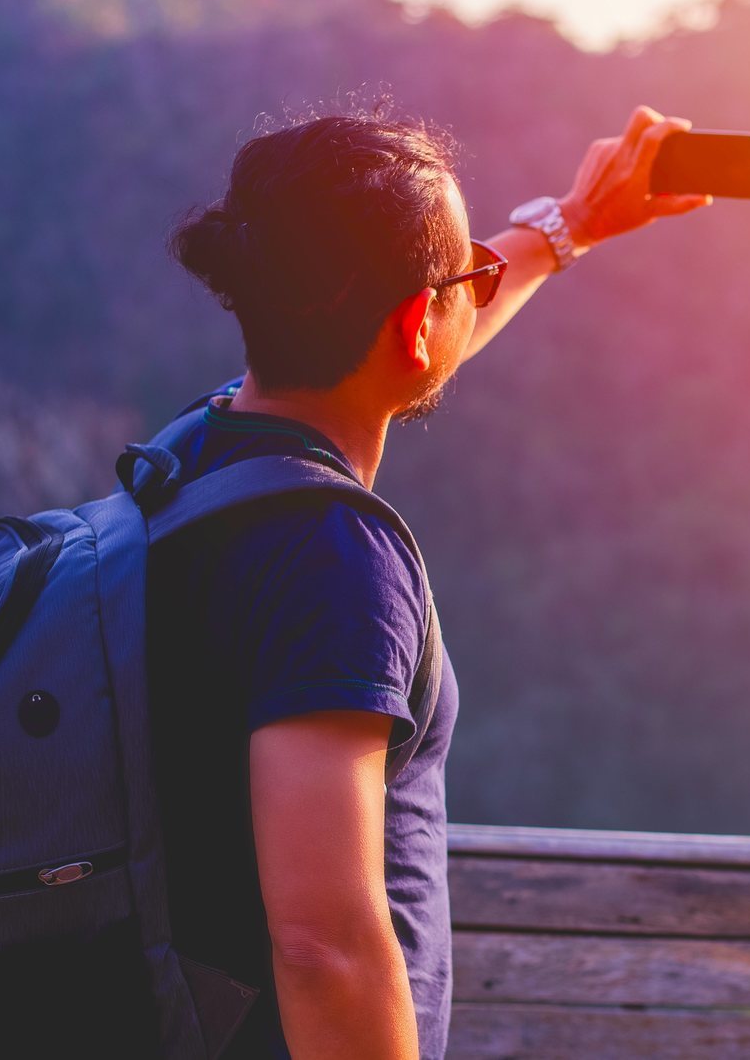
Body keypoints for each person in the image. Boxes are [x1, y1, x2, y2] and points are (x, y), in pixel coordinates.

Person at [150, 104, 711, 1059]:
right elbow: (322, 945)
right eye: (466, 281)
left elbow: (403, 329)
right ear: (418, 322)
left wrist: (565, 226)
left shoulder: (191, 461)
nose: (475, 294)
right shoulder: (330, 559)